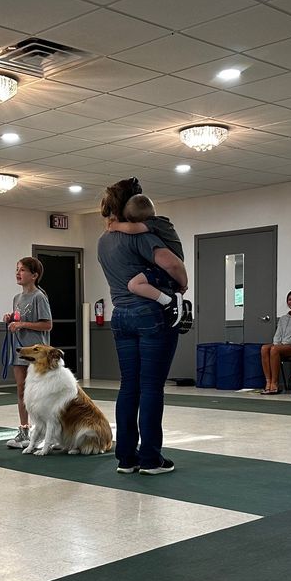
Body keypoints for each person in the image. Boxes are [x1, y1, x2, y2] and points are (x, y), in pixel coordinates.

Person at [98, 177, 188, 475]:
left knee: (129, 387)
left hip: (120, 315)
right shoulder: (142, 235)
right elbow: (171, 263)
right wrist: (183, 285)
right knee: (151, 387)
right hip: (151, 315)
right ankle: (151, 458)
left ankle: (126, 457)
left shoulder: (104, 240)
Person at [106, 193, 192, 331]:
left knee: (134, 284)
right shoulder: (157, 224)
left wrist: (115, 226)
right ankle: (172, 301)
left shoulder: (156, 223)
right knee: (135, 284)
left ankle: (170, 302)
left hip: (166, 269)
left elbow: (132, 229)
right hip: (163, 269)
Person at [3, 257, 53, 450]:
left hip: (37, 354)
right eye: (17, 269)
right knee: (21, 390)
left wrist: (22, 324)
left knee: (40, 393)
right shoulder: (17, 298)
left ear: (34, 275)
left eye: (22, 270)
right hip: (19, 350)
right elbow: (19, 319)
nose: (18, 273)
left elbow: (47, 324)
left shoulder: (39, 297)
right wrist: (11, 319)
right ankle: (24, 430)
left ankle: (46, 431)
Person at [259, 290, 291, 395]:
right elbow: (277, 334)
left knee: (274, 349)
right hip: (282, 346)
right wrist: (277, 343)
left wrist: (282, 344)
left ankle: (275, 384)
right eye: (289, 300)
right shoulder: (283, 318)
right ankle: (268, 382)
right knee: (264, 348)